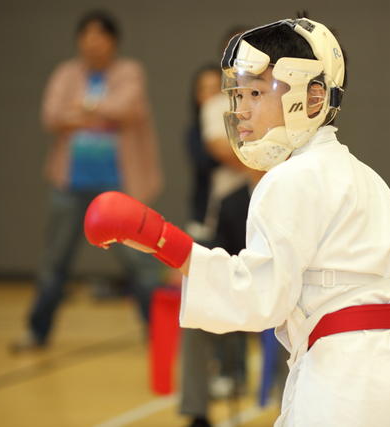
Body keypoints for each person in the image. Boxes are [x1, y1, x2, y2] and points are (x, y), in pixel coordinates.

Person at [84, 17, 390, 426]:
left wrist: (163, 242)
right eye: (239, 94)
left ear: (312, 98)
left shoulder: (290, 178)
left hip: (349, 381)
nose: (240, 110)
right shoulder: (366, 177)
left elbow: (260, 297)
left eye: (256, 93)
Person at [11, 10, 163, 352]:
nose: (93, 43)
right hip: (71, 185)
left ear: (113, 41)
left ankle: (158, 332)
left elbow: (127, 107)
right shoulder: (67, 73)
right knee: (55, 261)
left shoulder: (129, 72)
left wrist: (81, 110)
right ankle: (37, 332)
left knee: (139, 261)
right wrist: (96, 110)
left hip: (119, 186)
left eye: (100, 36)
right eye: (87, 36)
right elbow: (51, 114)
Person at [180, 64, 251, 427]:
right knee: (197, 311)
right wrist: (246, 157)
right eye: (204, 88)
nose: (211, 93)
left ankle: (237, 372)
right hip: (207, 230)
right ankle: (196, 408)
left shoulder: (251, 117)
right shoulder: (198, 131)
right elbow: (216, 152)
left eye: (216, 87)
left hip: (245, 230)